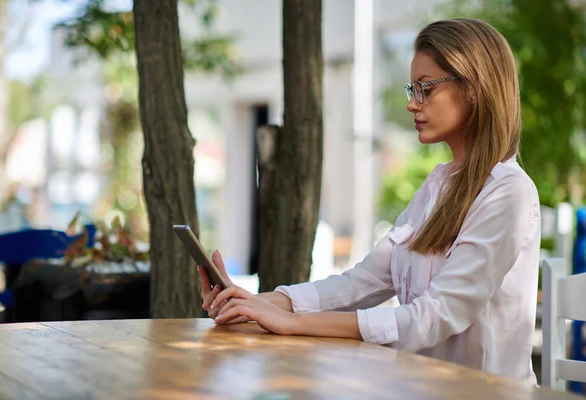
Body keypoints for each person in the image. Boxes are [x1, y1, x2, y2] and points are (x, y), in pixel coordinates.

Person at [198, 17, 541, 383]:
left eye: (425, 88)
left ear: (474, 87)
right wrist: (254, 302)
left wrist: (294, 323)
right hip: (423, 387)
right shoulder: (438, 186)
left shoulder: (508, 192)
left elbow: (437, 315)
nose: (412, 104)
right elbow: (361, 282)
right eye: (413, 89)